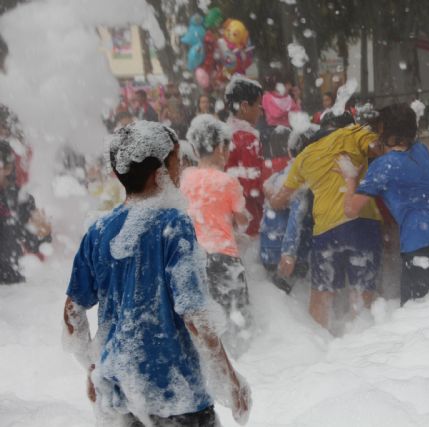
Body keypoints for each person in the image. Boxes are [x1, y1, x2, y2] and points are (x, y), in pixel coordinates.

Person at [62, 121, 251, 426]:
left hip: (122, 395)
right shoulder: (173, 224)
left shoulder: (97, 232)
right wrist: (231, 380)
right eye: (176, 163)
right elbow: (195, 317)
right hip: (179, 396)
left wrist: (92, 366)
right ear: (158, 173)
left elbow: (72, 311)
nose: (180, 173)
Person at [338, 104, 429, 306]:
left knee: (413, 317)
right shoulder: (421, 151)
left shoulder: (383, 166)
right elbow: (402, 164)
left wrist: (351, 180)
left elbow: (351, 210)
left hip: (421, 248)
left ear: (385, 132)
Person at [268, 121, 383, 331]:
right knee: (361, 295)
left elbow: (278, 201)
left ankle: (318, 347)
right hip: (362, 222)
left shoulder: (304, 157)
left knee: (321, 297)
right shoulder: (351, 133)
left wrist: (266, 191)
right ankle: (362, 346)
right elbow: (380, 148)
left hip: (326, 232)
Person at [181, 114, 252, 355]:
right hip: (225, 257)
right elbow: (242, 221)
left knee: (203, 321)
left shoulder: (185, 179)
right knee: (236, 318)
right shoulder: (227, 181)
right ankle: (241, 363)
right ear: (221, 147)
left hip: (193, 258)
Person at [260, 128, 314, 295]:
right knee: (291, 301)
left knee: (272, 297)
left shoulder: (280, 175)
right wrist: (289, 253)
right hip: (289, 253)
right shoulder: (302, 178)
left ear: (290, 151)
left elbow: (266, 186)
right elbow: (296, 218)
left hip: (268, 246)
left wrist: (273, 197)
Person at [0, 140, 51, 284]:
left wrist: (43, 234)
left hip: (11, 284)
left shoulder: (21, 199)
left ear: (8, 169)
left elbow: (34, 246)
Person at [224, 75, 265, 237]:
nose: (261, 112)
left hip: (227, 215)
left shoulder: (224, 133)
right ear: (244, 106)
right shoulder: (247, 138)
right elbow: (252, 186)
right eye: (259, 105)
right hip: (247, 217)